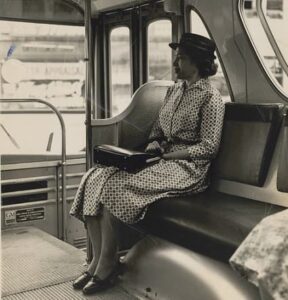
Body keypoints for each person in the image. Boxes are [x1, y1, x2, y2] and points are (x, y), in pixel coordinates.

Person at [70, 32, 225, 295]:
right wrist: (154, 144)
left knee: (114, 187)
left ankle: (108, 263)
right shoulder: (174, 91)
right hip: (162, 159)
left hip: (188, 168)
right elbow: (159, 130)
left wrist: (171, 156)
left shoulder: (211, 98)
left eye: (182, 59)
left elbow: (208, 148)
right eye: (176, 59)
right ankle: (95, 260)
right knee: (94, 177)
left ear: (197, 62)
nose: (175, 64)